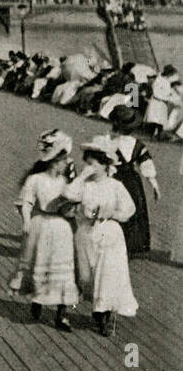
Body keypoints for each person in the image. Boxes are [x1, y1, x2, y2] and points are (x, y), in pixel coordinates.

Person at [66, 137, 138, 337]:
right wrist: (81, 176)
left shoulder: (115, 185)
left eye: (92, 163)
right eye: (86, 163)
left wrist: (111, 214)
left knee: (107, 276)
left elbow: (129, 209)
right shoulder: (84, 185)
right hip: (86, 234)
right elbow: (69, 194)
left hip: (109, 234)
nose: (88, 167)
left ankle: (103, 316)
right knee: (87, 275)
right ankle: (98, 310)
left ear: (104, 164)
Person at [10, 130, 79, 333]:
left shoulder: (65, 183)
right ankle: (38, 299)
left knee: (64, 270)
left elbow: (73, 206)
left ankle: (62, 313)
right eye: (63, 160)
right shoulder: (36, 180)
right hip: (41, 225)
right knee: (41, 263)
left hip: (62, 228)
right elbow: (26, 201)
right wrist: (26, 221)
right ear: (54, 162)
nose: (66, 164)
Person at [106, 105, 158, 256]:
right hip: (132, 181)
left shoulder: (111, 143)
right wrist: (154, 184)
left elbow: (107, 165)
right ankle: (133, 244)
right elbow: (146, 165)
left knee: (116, 207)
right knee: (135, 208)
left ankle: (115, 239)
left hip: (115, 179)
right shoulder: (138, 145)